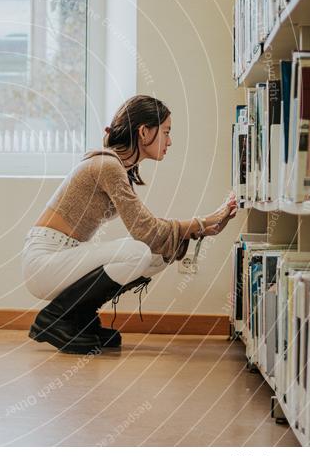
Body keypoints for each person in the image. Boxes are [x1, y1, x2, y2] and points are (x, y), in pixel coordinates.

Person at [22, 94, 237, 354]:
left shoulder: (118, 166)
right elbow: (144, 230)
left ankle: (79, 317)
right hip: (46, 260)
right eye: (166, 132)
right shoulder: (107, 165)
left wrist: (199, 228)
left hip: (62, 258)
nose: (169, 141)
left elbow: (152, 232)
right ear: (144, 132)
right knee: (137, 252)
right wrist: (201, 222)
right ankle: (56, 317)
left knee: (157, 256)